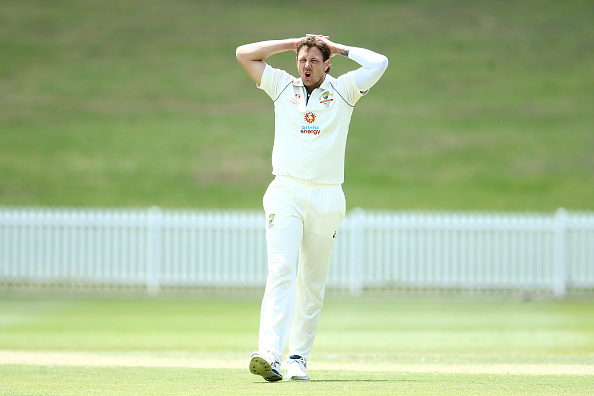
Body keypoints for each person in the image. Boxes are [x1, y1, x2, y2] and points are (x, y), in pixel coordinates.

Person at [236, 34, 388, 381]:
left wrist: (341, 48)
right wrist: (292, 43)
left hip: (327, 195)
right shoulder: (280, 85)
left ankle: (297, 358)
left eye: (315, 61)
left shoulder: (344, 90)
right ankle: (270, 354)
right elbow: (243, 54)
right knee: (281, 269)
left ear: (327, 64)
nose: (307, 66)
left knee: (312, 282)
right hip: (285, 191)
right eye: (303, 60)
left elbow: (380, 63)